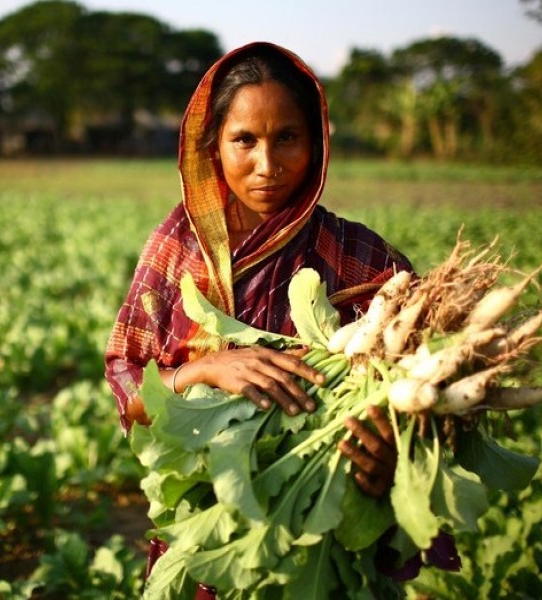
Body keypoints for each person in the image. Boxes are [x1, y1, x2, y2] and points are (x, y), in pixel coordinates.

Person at [105, 41, 415, 597]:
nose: (267, 166)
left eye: (287, 138)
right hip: (206, 536)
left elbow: (422, 406)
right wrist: (204, 371)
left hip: (324, 543)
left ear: (316, 144)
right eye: (244, 140)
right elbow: (128, 387)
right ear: (212, 145)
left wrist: (394, 460)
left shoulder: (368, 262)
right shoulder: (177, 248)